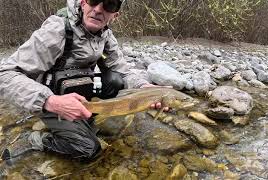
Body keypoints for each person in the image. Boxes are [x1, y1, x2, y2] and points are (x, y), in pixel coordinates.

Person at [0, 0, 167, 161]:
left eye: (109, 4)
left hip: (82, 96)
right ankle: (36, 138)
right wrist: (50, 101)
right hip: (51, 100)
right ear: (83, 3)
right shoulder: (56, 31)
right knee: (88, 149)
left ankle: (88, 119)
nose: (98, 9)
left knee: (115, 79)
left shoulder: (106, 35)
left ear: (115, 15)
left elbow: (122, 71)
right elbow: (5, 74)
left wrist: (145, 88)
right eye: (93, 0)